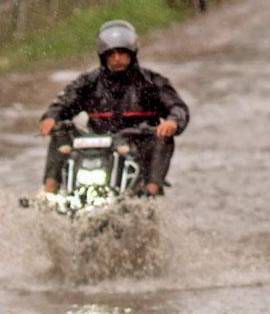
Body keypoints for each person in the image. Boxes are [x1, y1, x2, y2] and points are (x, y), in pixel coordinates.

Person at [38, 20, 189, 197]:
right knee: (60, 131)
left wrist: (173, 121)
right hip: (97, 141)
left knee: (163, 137)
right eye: (111, 54)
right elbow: (64, 102)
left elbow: (177, 107)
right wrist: (51, 117)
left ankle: (151, 192)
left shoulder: (151, 82)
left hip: (137, 141)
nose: (117, 58)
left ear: (132, 53)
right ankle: (49, 192)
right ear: (104, 56)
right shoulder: (89, 82)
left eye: (122, 53)